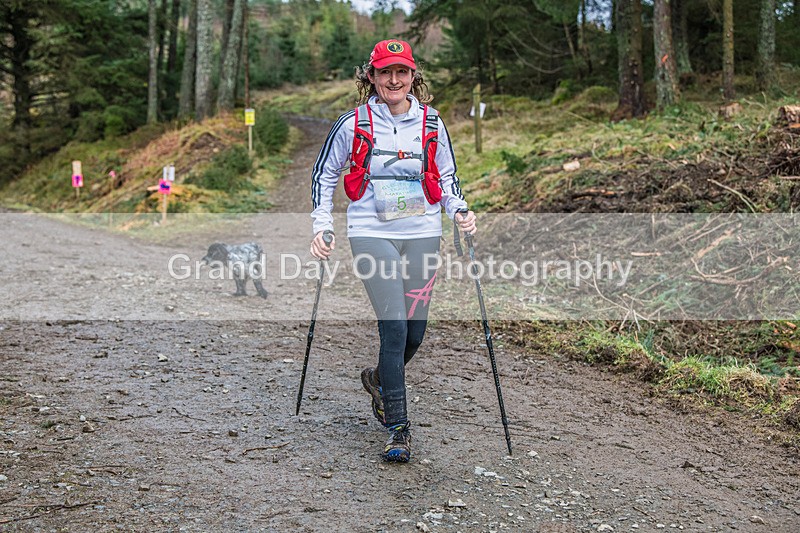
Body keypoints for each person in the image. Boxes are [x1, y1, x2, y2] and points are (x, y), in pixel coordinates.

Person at [309, 39, 477, 463]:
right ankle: (398, 428)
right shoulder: (352, 123)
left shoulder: (433, 123)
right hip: (370, 232)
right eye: (385, 72)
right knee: (395, 328)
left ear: (413, 76)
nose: (394, 80)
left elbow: (449, 176)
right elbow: (324, 176)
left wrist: (460, 210)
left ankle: (381, 378)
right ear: (372, 76)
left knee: (416, 331)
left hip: (422, 231)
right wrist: (323, 226)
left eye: (402, 72)